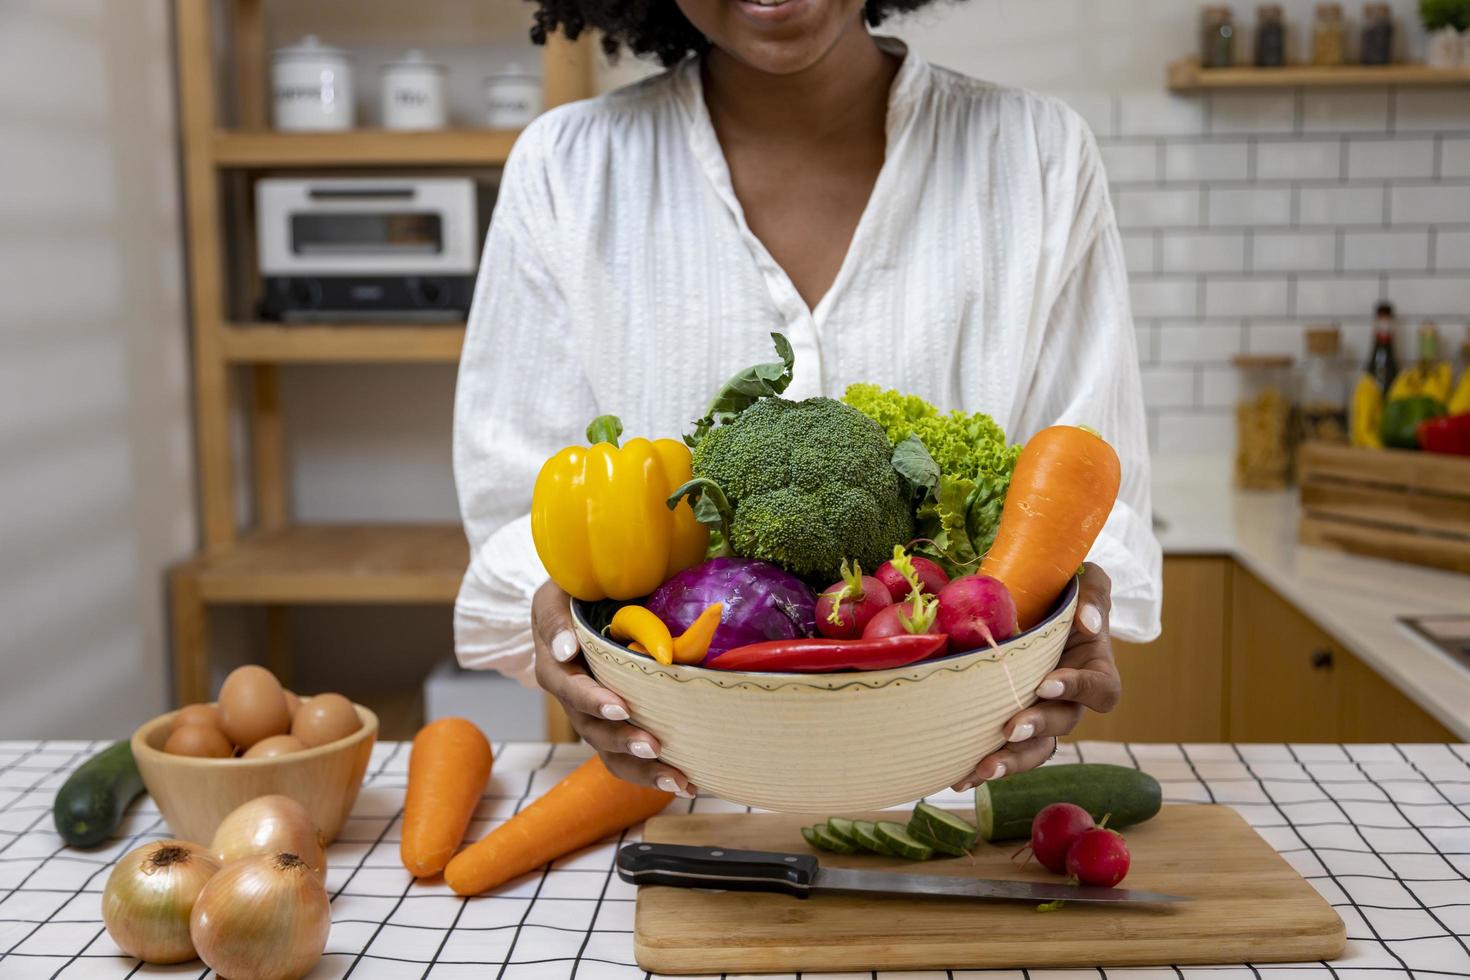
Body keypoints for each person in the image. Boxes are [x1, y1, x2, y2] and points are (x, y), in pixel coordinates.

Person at [452, 0, 1163, 799]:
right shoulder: (566, 168)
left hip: (956, 790)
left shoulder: (1038, 155)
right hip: (675, 802)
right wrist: (558, 623)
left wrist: (1069, 610)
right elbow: (518, 511)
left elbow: (1098, 486)